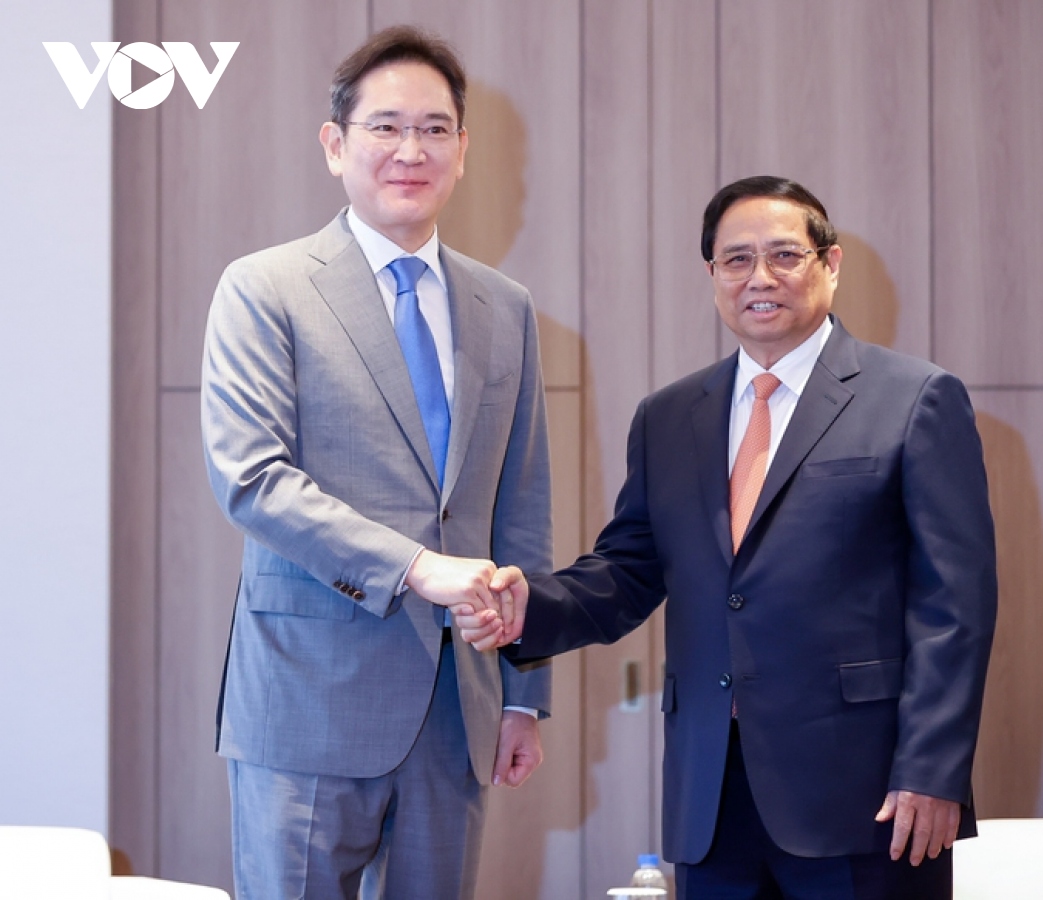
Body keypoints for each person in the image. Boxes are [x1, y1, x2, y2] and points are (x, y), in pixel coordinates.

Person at [459, 176, 997, 899]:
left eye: (785, 255)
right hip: (710, 797)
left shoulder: (915, 398)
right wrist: (531, 606)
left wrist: (933, 770)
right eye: (736, 259)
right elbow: (628, 571)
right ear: (712, 275)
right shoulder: (669, 416)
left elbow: (954, 608)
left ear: (831, 264)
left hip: (867, 798)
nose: (760, 277)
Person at [200, 25, 551, 900]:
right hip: (305, 700)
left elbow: (521, 506)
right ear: (335, 145)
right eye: (385, 127)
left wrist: (522, 693)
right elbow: (252, 478)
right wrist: (418, 568)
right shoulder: (265, 288)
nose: (411, 150)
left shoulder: (504, 307)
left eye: (434, 129)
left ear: (463, 150)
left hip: (456, 712)